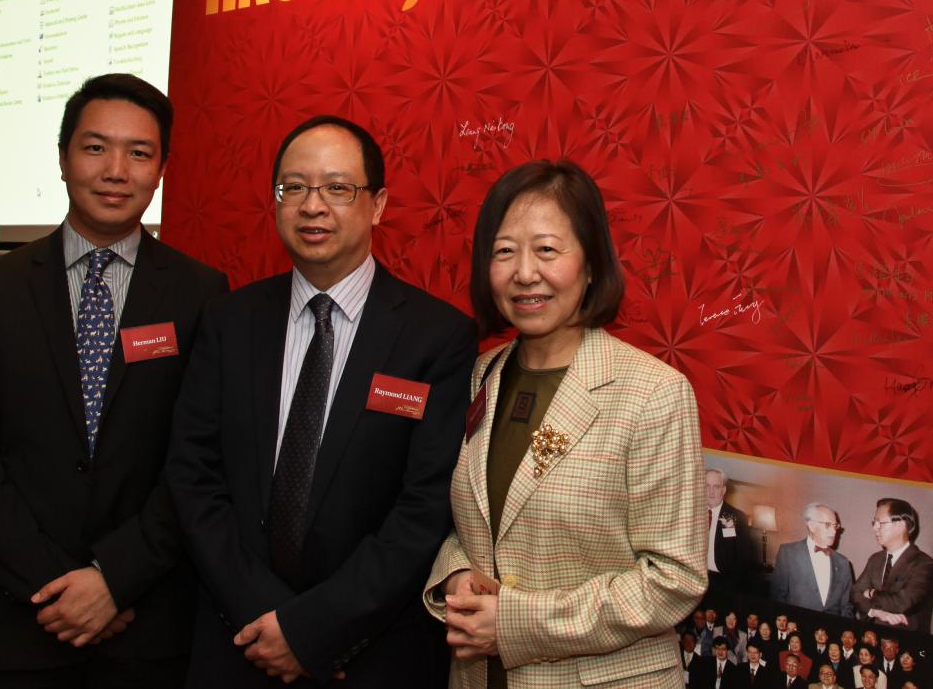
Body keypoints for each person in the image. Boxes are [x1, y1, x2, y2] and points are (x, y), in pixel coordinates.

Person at [0, 74, 229, 688]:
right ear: (64, 158)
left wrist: (115, 579)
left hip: (148, 617)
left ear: (161, 170)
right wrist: (55, 586)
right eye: (96, 148)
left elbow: (199, 455)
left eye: (139, 153)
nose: (116, 171)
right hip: (26, 613)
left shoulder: (199, 292)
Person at [166, 115, 475, 686]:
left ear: (378, 205)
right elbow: (193, 475)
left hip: (370, 654)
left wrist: (314, 630)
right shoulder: (228, 321)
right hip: (239, 643)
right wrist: (268, 619)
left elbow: (424, 507)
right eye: (294, 187)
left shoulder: (436, 338)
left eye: (337, 188)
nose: (313, 206)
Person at [425, 160, 707, 688]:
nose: (524, 272)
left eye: (547, 250)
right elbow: (473, 523)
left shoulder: (653, 393)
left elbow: (674, 578)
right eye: (504, 251)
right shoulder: (481, 374)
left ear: (592, 264)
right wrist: (456, 573)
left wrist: (514, 623)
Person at [851, 498, 933, 631]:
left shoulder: (926, 565)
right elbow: (855, 593)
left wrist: (871, 593)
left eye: (880, 523)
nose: (875, 528)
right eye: (874, 522)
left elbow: (902, 603)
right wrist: (874, 612)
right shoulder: (875, 559)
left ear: (901, 526)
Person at [772, 504, 856, 617]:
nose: (834, 531)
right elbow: (777, 598)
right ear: (811, 526)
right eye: (828, 525)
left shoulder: (843, 563)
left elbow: (847, 606)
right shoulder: (788, 554)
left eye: (835, 526)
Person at [707, 469, 759, 606]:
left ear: (723, 490)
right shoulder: (691, 512)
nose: (711, 492)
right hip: (696, 581)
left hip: (723, 584)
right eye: (707, 486)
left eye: (716, 487)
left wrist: (732, 588)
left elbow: (744, 558)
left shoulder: (736, 517)